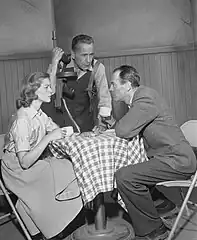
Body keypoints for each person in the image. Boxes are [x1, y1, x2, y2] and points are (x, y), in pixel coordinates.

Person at [110, 65, 197, 240]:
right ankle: (164, 206)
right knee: (127, 167)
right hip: (167, 157)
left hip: (177, 160)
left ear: (127, 85)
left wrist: (114, 116)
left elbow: (123, 129)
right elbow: (126, 127)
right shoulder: (140, 99)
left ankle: (153, 231)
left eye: (113, 84)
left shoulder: (144, 98)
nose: (111, 89)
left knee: (125, 176)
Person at [1, 72, 85, 240]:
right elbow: (24, 162)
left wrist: (81, 136)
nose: (51, 91)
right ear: (33, 91)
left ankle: (63, 221)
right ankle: (56, 226)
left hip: (32, 161)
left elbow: (56, 131)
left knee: (69, 165)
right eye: (46, 87)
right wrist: (48, 138)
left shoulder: (39, 114)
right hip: (16, 169)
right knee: (59, 171)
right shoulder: (22, 120)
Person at [42, 34, 113, 133]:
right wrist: (54, 64)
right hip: (60, 123)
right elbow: (47, 92)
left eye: (91, 54)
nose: (88, 60)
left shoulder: (97, 68)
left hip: (86, 122)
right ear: (73, 54)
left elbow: (105, 98)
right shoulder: (61, 65)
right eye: (84, 55)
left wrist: (103, 124)